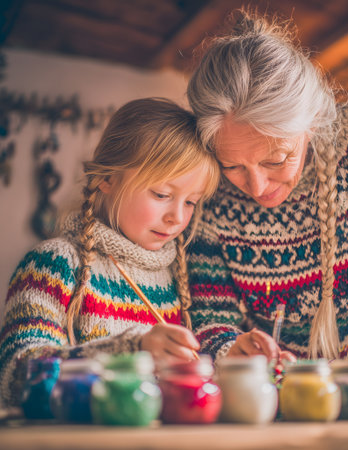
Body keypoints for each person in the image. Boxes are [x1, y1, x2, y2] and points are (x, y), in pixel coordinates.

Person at [185, 9, 348, 409]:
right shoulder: (206, 185)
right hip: (279, 401)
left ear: (309, 121)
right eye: (234, 166)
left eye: (276, 159)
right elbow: (210, 317)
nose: (257, 187)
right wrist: (231, 352)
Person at [0, 97, 221, 408]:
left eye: (190, 202)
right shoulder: (54, 265)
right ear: (107, 178)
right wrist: (131, 351)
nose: (177, 217)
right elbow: (17, 376)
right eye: (162, 194)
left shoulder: (181, 275)